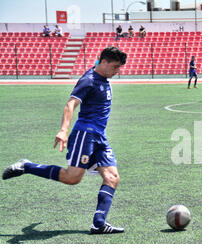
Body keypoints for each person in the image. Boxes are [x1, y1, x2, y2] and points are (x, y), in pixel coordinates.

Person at [2, 47, 128, 234]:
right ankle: (27, 166)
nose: (117, 71)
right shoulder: (89, 80)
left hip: (100, 137)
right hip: (85, 135)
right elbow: (71, 104)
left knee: (112, 178)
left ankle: (99, 224)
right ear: (103, 62)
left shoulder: (102, 77)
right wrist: (63, 130)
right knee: (72, 178)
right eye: (115, 66)